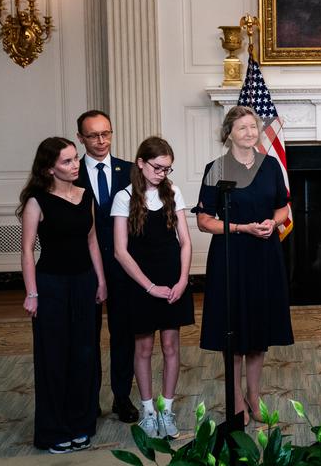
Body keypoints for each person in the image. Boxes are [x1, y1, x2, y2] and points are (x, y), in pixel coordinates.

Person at [194, 106, 294, 425]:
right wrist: (240, 228)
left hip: (265, 256)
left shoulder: (271, 165)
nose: (250, 133)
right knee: (233, 329)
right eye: (242, 128)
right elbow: (204, 220)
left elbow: (284, 208)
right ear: (229, 134)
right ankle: (235, 398)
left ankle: (254, 394)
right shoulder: (216, 168)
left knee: (259, 329)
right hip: (230, 258)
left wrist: (272, 222)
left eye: (254, 127)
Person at [18, 137, 107, 453]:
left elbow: (92, 242)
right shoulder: (36, 201)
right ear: (48, 168)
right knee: (53, 358)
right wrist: (32, 293)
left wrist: (100, 281)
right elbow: (27, 250)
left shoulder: (86, 195)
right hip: (51, 286)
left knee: (84, 355)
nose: (75, 166)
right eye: (67, 162)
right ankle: (54, 430)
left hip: (84, 283)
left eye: (75, 160)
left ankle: (81, 423)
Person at [112, 137, 194, 438]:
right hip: (141, 282)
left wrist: (184, 280)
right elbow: (121, 251)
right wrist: (149, 287)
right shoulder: (124, 197)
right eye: (158, 167)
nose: (162, 174)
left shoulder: (173, 192)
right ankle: (148, 412)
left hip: (173, 278)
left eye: (168, 169)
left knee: (171, 346)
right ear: (141, 163)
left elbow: (185, 242)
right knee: (143, 347)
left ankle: (167, 410)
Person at [74, 110, 138, 423]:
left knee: (123, 334)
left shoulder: (129, 171)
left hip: (123, 265)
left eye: (106, 133)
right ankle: (89, 398)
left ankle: (122, 397)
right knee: (87, 335)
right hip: (83, 268)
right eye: (93, 135)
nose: (101, 141)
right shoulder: (71, 174)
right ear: (80, 138)